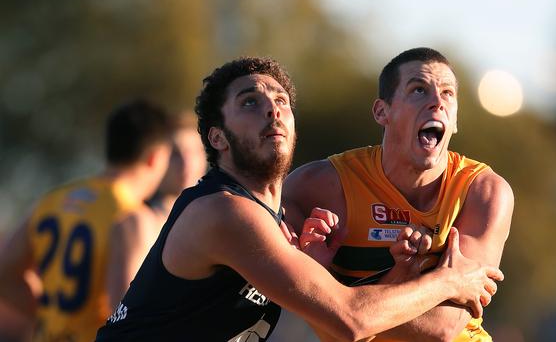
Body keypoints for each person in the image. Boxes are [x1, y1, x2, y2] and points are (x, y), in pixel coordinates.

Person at [95, 56, 504, 342]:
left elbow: (340, 319)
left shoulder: (275, 219)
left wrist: (338, 271)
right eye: (250, 102)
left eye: (281, 102)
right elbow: (351, 318)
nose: (272, 111)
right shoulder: (225, 211)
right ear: (217, 138)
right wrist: (450, 280)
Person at [283, 48, 514, 341]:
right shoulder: (319, 185)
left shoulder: (483, 191)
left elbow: (442, 327)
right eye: (419, 90)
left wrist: (328, 292)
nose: (437, 103)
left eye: (447, 94)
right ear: (382, 111)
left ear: (455, 121)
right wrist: (447, 281)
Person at [0, 99, 173, 342]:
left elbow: (5, 273)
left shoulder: (53, 200)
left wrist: (52, 315)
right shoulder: (132, 216)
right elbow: (126, 312)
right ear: (156, 158)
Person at [106, 112, 208, 303]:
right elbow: (123, 307)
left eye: (195, 152)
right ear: (158, 157)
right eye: (176, 154)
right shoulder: (138, 221)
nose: (187, 163)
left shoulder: (214, 220)